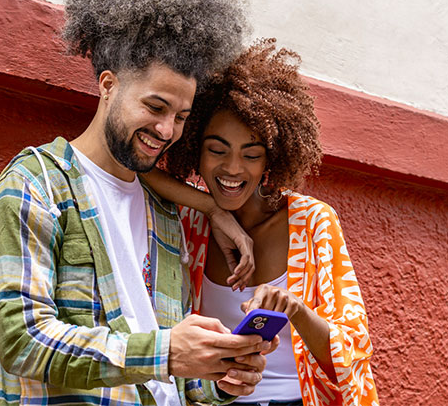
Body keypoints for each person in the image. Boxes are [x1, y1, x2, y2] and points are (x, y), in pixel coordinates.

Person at [0, 0, 275, 406]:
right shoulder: (34, 185)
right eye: (155, 107)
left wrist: (218, 374)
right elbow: (23, 340)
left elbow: (166, 374)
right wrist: (168, 351)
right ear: (108, 85)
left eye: (181, 117)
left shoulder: (164, 211)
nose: (167, 130)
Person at [145, 39, 379, 406]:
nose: (233, 169)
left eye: (251, 155)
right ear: (193, 146)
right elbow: (131, 168)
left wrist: (294, 309)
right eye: (217, 150)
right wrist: (213, 209)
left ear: (272, 159)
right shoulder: (188, 221)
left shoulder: (312, 222)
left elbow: (350, 357)